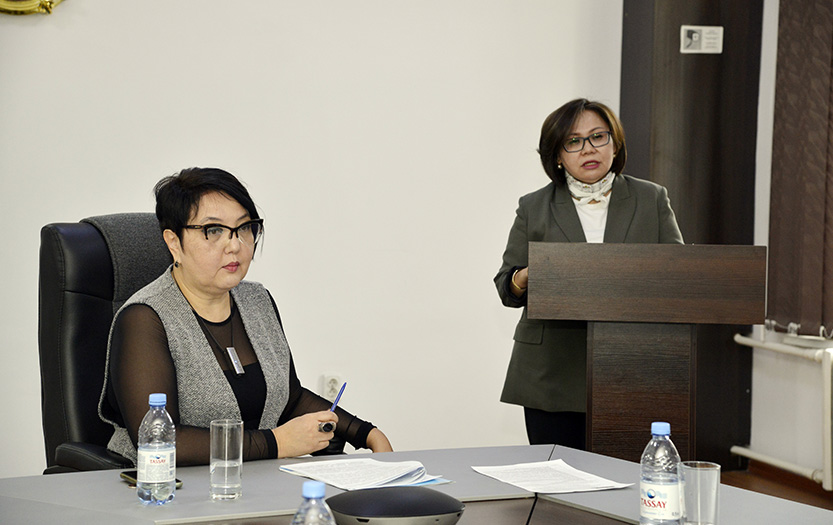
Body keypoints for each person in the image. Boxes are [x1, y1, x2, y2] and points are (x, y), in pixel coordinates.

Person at [99, 167, 393, 466]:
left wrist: (366, 433)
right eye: (214, 231)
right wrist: (277, 443)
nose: (235, 245)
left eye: (244, 228)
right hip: (163, 486)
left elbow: (289, 398)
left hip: (249, 481)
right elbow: (161, 441)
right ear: (174, 242)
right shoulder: (144, 318)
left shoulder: (256, 300)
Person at [494, 99, 683, 449]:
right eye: (573, 141)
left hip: (630, 365)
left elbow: (680, 277)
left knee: (624, 473)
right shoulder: (533, 206)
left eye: (598, 136)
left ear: (616, 144)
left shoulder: (651, 198)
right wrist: (531, 274)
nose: (588, 149)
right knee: (556, 475)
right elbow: (507, 286)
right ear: (557, 156)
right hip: (551, 371)